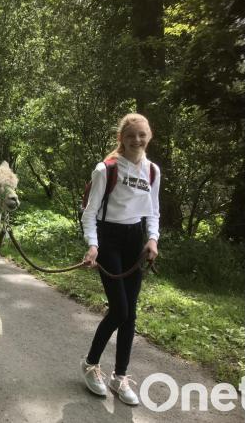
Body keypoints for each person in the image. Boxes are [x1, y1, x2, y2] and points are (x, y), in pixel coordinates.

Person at [78, 113, 160, 406]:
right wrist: (93, 245)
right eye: (131, 136)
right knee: (120, 310)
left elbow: (153, 210)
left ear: (149, 136)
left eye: (142, 135)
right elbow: (90, 212)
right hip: (109, 238)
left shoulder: (152, 170)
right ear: (121, 139)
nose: (137, 140)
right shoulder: (106, 169)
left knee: (131, 313)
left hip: (134, 239)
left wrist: (152, 239)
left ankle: (120, 376)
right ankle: (89, 364)